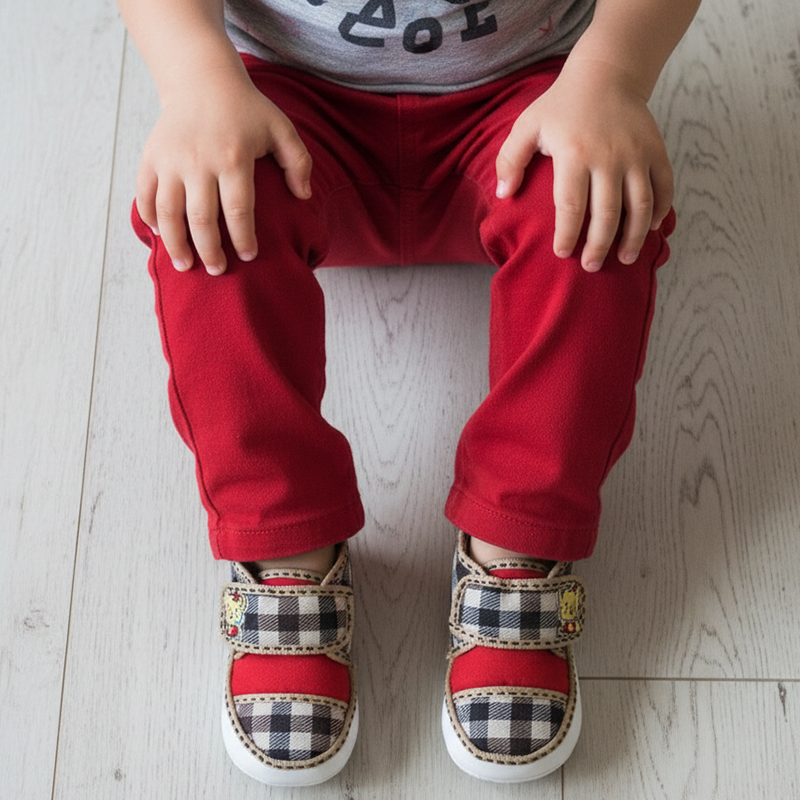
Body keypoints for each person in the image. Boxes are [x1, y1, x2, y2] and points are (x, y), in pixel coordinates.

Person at [120, 0, 700, 786]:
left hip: (532, 101)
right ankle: (282, 547)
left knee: (605, 223)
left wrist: (613, 73)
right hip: (278, 103)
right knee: (202, 229)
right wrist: (194, 74)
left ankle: (517, 540)